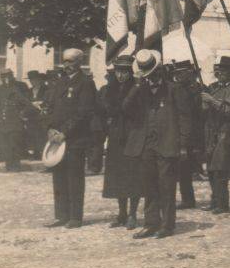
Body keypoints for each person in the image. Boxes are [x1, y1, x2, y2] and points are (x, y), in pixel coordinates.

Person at [123, 50, 193, 239]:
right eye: (146, 74)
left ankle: (167, 225)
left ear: (159, 70)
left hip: (168, 144)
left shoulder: (174, 89)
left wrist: (184, 144)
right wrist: (137, 86)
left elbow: (185, 118)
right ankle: (150, 223)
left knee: (166, 186)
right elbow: (125, 108)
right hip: (146, 145)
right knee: (149, 186)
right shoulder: (140, 90)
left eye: (153, 72)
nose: (151, 77)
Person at [45, 49, 97, 229]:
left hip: (75, 139)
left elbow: (84, 113)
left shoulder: (86, 83)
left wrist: (65, 132)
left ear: (79, 62)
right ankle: (61, 215)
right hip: (56, 138)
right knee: (58, 176)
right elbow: (51, 106)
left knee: (74, 177)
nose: (66, 65)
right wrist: (50, 127)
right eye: (64, 62)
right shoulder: (59, 82)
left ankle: (75, 217)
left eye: (70, 62)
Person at [201, 56, 230, 214]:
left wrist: (211, 101)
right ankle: (214, 201)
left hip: (226, 133)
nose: (219, 74)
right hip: (213, 133)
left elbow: (229, 111)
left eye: (224, 71)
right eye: (219, 71)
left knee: (220, 169)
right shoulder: (216, 88)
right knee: (212, 170)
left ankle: (222, 203)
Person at [102, 56, 142, 229]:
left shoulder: (138, 88)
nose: (120, 75)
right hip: (116, 136)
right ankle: (122, 213)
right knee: (117, 175)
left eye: (124, 71)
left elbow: (136, 111)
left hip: (133, 136)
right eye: (118, 71)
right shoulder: (110, 89)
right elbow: (107, 108)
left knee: (133, 176)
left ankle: (133, 214)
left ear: (130, 72)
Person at [171, 61, 204, 210]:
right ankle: (188, 198)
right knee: (183, 168)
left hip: (195, 131)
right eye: (176, 74)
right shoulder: (181, 88)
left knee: (186, 167)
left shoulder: (197, 88)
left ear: (189, 73)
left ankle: (191, 199)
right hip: (187, 131)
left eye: (181, 73)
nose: (178, 76)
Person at [0, 69, 31, 171]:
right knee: (5, 145)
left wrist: (22, 115)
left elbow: (27, 104)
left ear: (12, 76)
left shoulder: (20, 87)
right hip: (2, 122)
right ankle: (9, 166)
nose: (6, 78)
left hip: (15, 122)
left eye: (8, 75)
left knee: (14, 144)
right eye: (3, 76)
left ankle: (15, 167)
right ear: (1, 78)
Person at [25, 70, 49, 159]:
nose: (32, 82)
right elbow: (26, 102)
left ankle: (42, 153)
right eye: (31, 80)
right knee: (31, 133)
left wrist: (40, 103)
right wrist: (31, 104)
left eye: (34, 79)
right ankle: (33, 153)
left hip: (42, 115)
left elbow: (48, 101)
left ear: (39, 79)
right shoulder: (29, 91)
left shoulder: (46, 89)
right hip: (31, 116)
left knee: (42, 134)